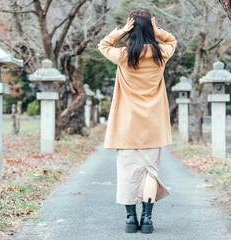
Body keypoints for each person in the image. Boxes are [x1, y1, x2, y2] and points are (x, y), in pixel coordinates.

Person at [98, 9, 177, 234]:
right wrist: (157, 30)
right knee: (150, 172)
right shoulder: (161, 53)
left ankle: (131, 220)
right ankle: (147, 219)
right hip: (153, 124)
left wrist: (122, 31)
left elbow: (103, 45)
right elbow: (172, 40)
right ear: (150, 27)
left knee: (127, 171)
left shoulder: (124, 55)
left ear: (131, 27)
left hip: (126, 124)